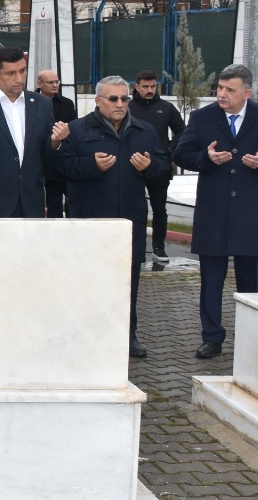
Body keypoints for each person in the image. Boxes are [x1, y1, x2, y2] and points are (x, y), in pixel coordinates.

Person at [173, 64, 258, 359]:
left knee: (250, 281)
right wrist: (206, 158)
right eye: (220, 89)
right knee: (211, 280)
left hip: (251, 214)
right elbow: (180, 153)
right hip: (214, 212)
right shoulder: (202, 117)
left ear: (247, 93)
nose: (222, 95)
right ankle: (211, 337)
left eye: (230, 90)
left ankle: (251, 337)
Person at [55, 74, 171, 359]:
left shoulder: (144, 131)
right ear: (97, 101)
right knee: (87, 282)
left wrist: (149, 167)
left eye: (124, 98)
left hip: (129, 222)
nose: (120, 104)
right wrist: (91, 165)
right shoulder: (77, 130)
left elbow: (165, 168)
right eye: (113, 99)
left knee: (127, 283)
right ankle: (83, 335)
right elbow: (60, 169)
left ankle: (127, 336)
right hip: (90, 222)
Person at [0, 48, 70, 217]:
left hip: (31, 201)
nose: (19, 79)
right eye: (11, 73)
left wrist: (55, 142)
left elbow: (47, 154)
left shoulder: (42, 104)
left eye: (22, 71)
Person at [129, 69, 185, 264]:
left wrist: (169, 150)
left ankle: (158, 248)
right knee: (134, 208)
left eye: (153, 86)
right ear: (136, 87)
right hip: (132, 166)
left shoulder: (166, 108)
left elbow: (182, 132)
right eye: (145, 87)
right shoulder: (127, 107)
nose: (150, 90)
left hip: (159, 166)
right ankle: (136, 248)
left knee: (159, 208)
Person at [35, 69, 79, 218]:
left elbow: (74, 130)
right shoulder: (30, 102)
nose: (55, 85)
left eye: (56, 81)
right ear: (39, 84)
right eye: (50, 82)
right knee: (50, 204)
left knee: (71, 201)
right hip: (38, 158)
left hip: (63, 159)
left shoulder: (66, 104)